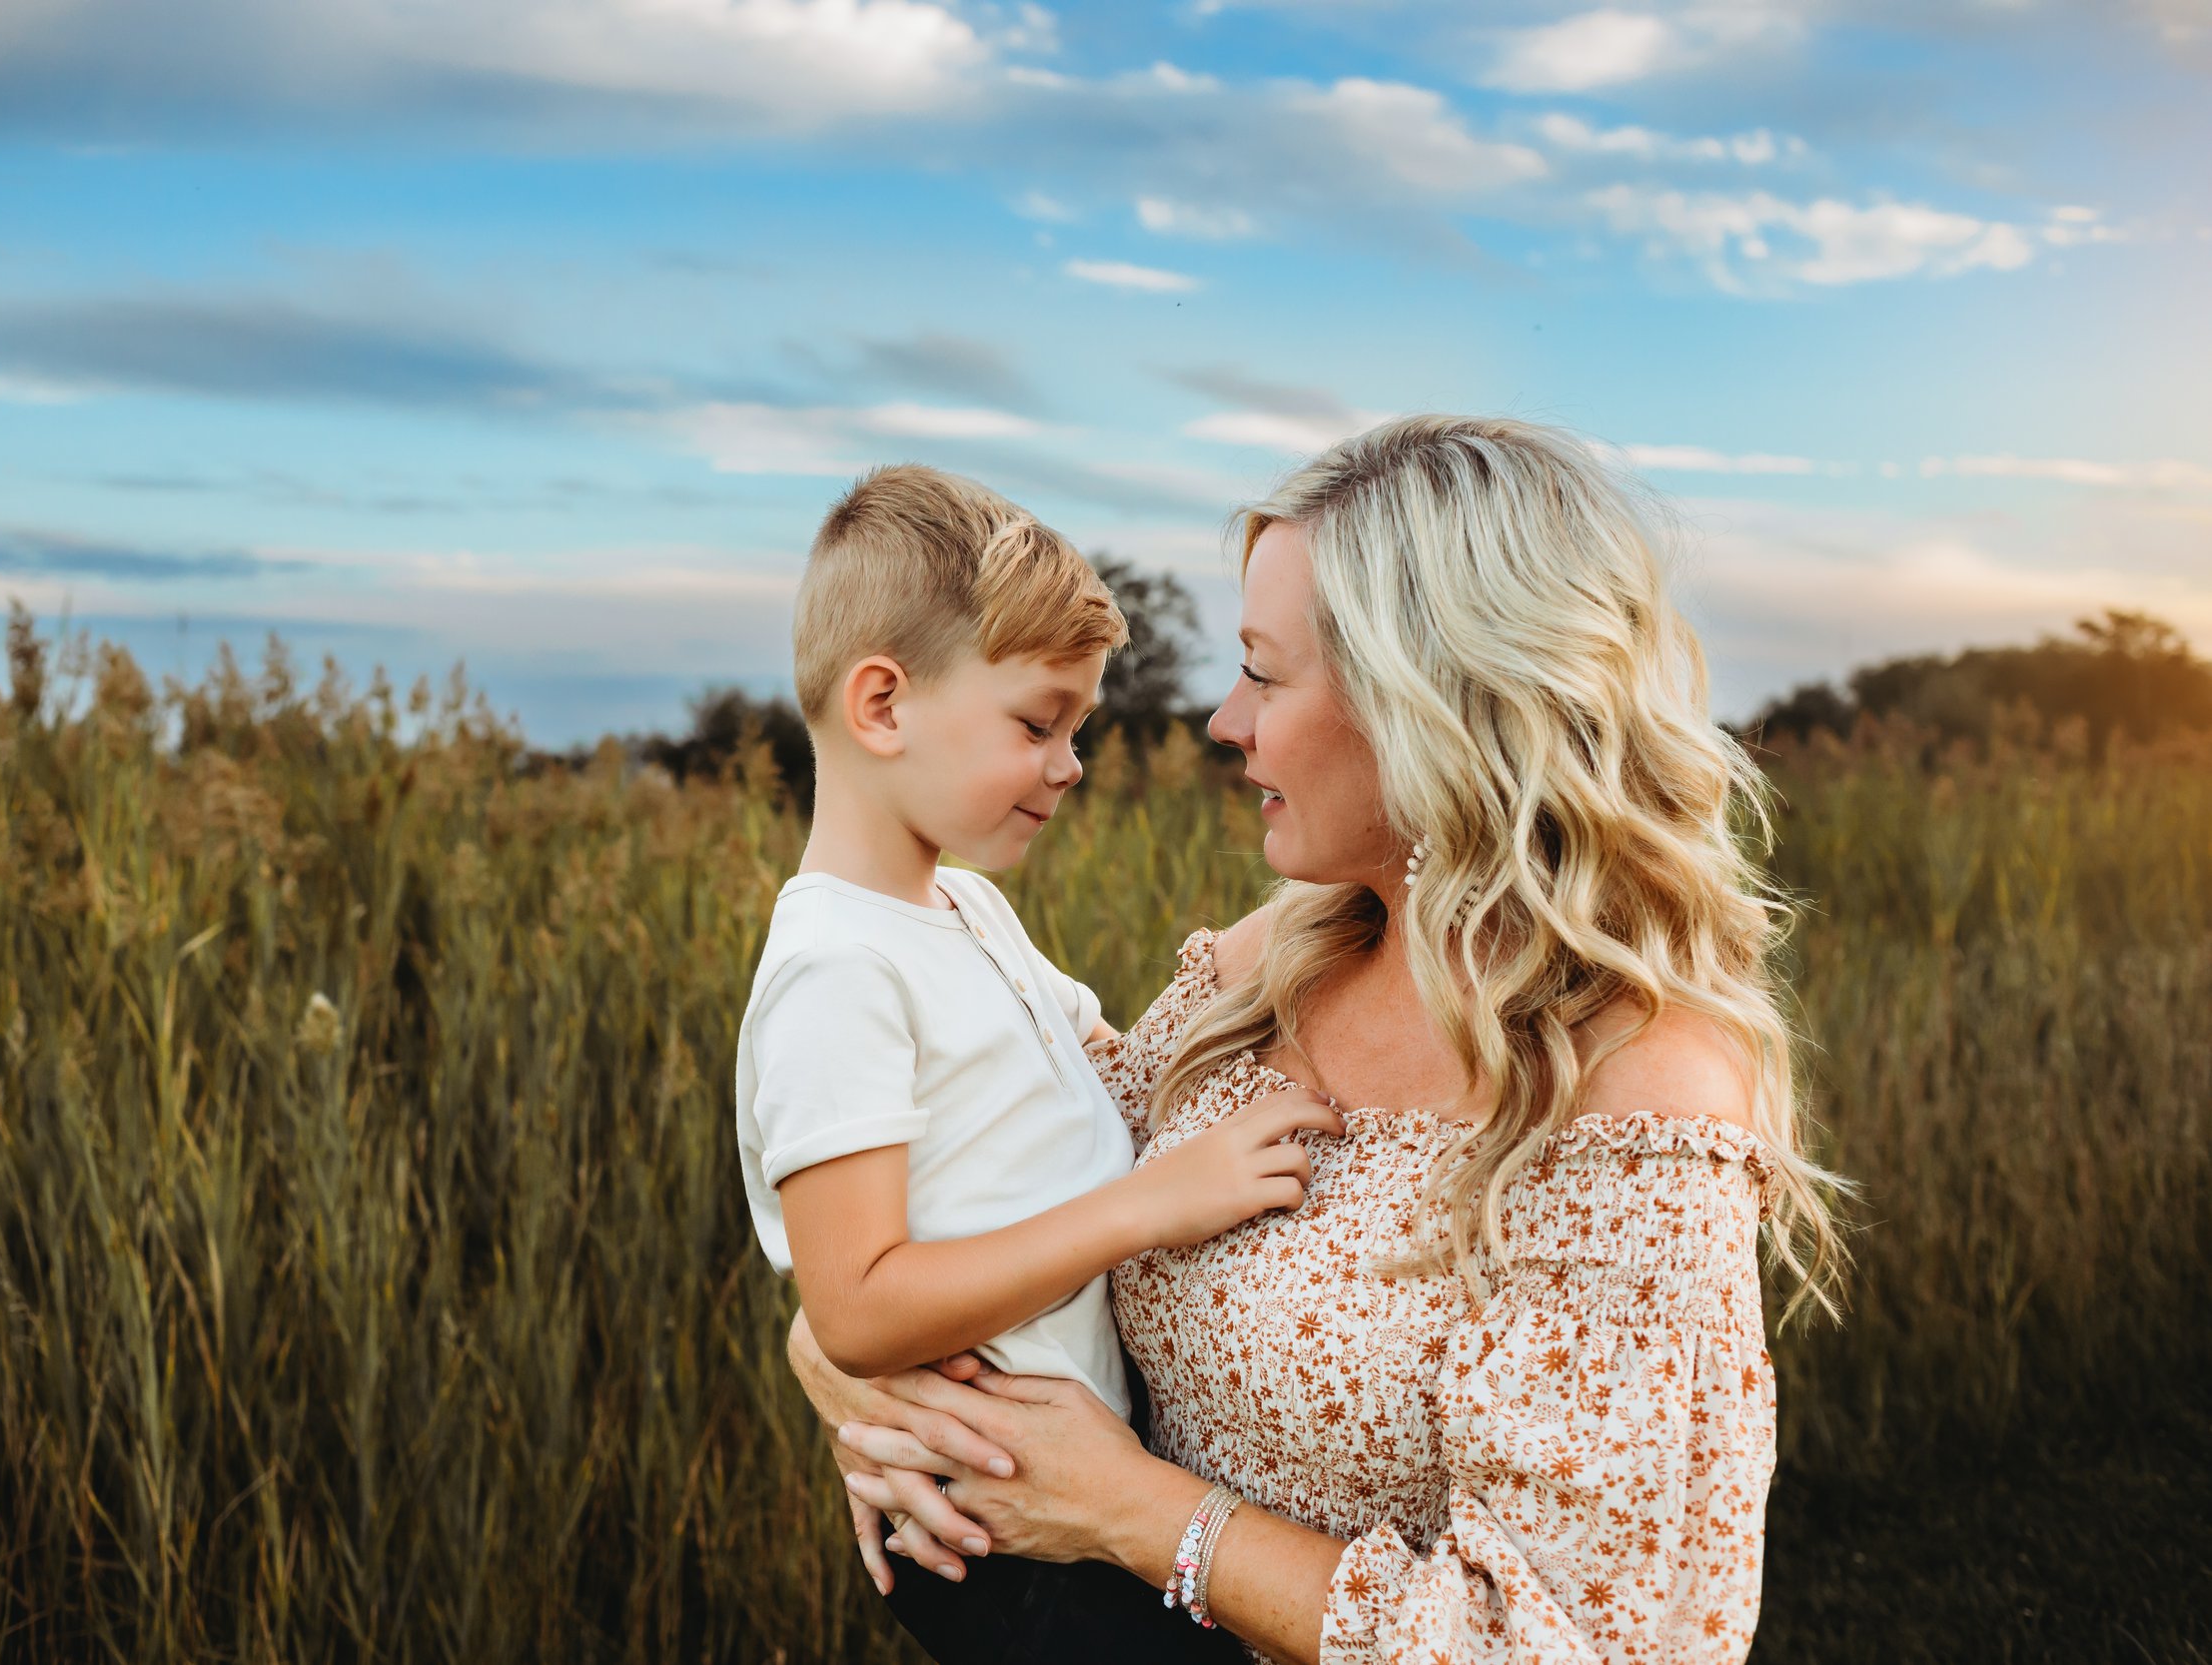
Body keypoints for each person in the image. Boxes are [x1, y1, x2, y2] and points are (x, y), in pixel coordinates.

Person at [790, 416, 1851, 1664]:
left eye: (1264, 672)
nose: (1223, 721)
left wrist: (1136, 1514)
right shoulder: (1269, 963)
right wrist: (838, 1351)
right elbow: (1014, 1193)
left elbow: (1571, 1645)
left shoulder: (1634, 1098)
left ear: (1433, 701)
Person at [735, 462, 1336, 1663]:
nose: (1067, 765)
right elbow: (854, 1307)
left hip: (1063, 1488)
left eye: (1076, 728)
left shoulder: (959, 907)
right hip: (996, 1533)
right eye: (1036, 722)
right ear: (882, 706)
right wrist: (1147, 1204)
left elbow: (1102, 1057)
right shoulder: (834, 970)